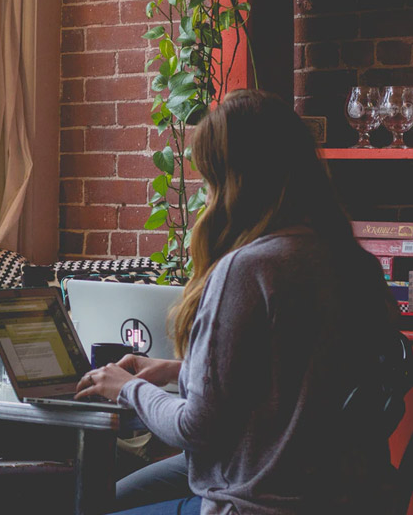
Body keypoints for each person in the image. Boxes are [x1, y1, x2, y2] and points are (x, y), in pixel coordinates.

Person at [74, 89, 402, 514]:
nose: (208, 195)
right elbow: (294, 378)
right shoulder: (353, 262)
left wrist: (128, 389)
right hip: (335, 493)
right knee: (111, 496)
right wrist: (176, 370)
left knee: (89, 504)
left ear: (236, 182)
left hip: (259, 498)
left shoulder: (249, 269)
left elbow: (195, 427)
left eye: (211, 180)